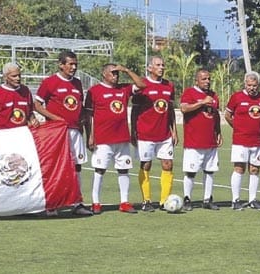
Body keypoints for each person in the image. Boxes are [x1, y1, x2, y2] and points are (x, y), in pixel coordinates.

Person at [34, 50, 92, 216]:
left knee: (77, 166)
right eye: (70, 64)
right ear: (61, 65)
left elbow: (79, 105)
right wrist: (56, 119)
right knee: (54, 167)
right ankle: (51, 204)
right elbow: (37, 105)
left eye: (75, 64)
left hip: (75, 131)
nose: (73, 67)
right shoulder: (49, 82)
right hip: (56, 133)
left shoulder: (78, 83)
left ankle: (77, 203)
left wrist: (81, 122)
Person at [83, 63, 146, 214]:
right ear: (104, 74)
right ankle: (96, 202)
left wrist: (126, 69)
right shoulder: (94, 91)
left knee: (123, 169)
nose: (116, 76)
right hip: (103, 138)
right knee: (100, 170)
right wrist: (90, 135)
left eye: (117, 73)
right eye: (113, 73)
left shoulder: (123, 89)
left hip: (122, 138)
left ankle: (124, 202)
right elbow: (88, 115)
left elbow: (142, 85)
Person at [132, 56, 178, 211]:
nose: (162, 67)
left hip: (164, 134)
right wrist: (133, 131)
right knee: (146, 164)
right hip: (146, 133)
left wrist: (174, 130)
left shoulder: (169, 86)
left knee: (168, 164)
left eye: (163, 65)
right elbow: (135, 110)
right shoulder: (142, 85)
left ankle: (165, 201)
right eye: (158, 65)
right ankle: (146, 201)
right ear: (149, 68)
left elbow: (170, 109)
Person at [225, 71, 260, 210]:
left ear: (258, 85)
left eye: (254, 85)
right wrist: (238, 128)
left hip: (257, 141)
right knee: (239, 169)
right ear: (245, 84)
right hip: (240, 141)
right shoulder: (236, 97)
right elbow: (227, 115)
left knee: (255, 170)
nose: (252, 88)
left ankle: (252, 200)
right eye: (249, 85)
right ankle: (235, 200)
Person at [180, 69, 222, 210]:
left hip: (210, 141)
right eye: (204, 79)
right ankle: (187, 199)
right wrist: (202, 102)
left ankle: (207, 199)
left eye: (208, 78)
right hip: (194, 142)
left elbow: (215, 115)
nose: (207, 81)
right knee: (191, 172)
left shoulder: (214, 95)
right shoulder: (189, 93)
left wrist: (219, 132)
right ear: (196, 81)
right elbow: (184, 109)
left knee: (210, 171)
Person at [0, 63, 38, 130]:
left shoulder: (25, 90)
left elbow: (30, 112)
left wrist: (34, 120)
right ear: (5, 77)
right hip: (4, 134)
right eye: (14, 76)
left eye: (19, 75)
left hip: (23, 133)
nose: (18, 78)